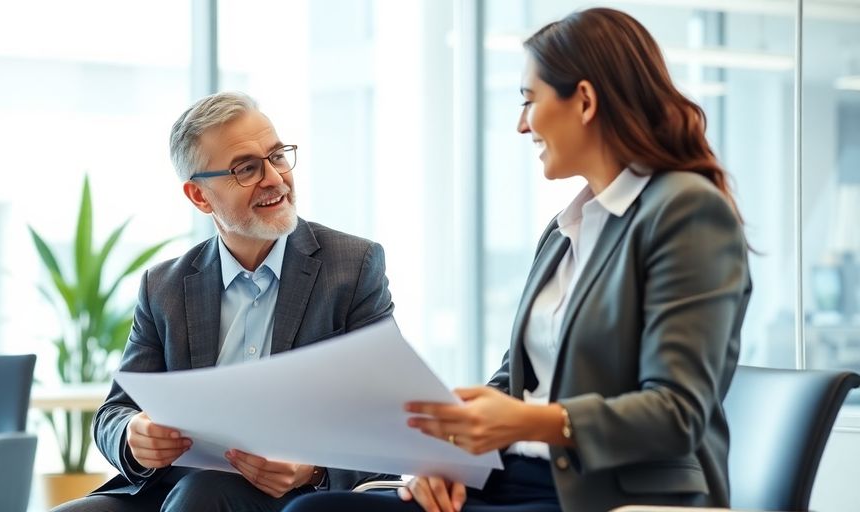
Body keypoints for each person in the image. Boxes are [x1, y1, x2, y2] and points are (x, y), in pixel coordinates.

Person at [284, 7, 751, 512]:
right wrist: (451, 448)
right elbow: (515, 380)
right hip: (513, 477)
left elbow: (677, 413)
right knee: (313, 510)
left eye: (529, 101)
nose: (521, 125)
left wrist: (527, 421)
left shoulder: (685, 210)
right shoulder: (565, 229)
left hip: (609, 494)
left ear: (586, 101)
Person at [52, 91, 395, 512]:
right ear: (199, 197)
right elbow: (116, 411)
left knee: (202, 496)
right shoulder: (164, 286)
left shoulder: (353, 266)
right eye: (246, 168)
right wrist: (134, 435)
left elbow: (385, 414)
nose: (274, 178)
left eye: (277, 157)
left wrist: (314, 467)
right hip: (173, 488)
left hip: (294, 496)